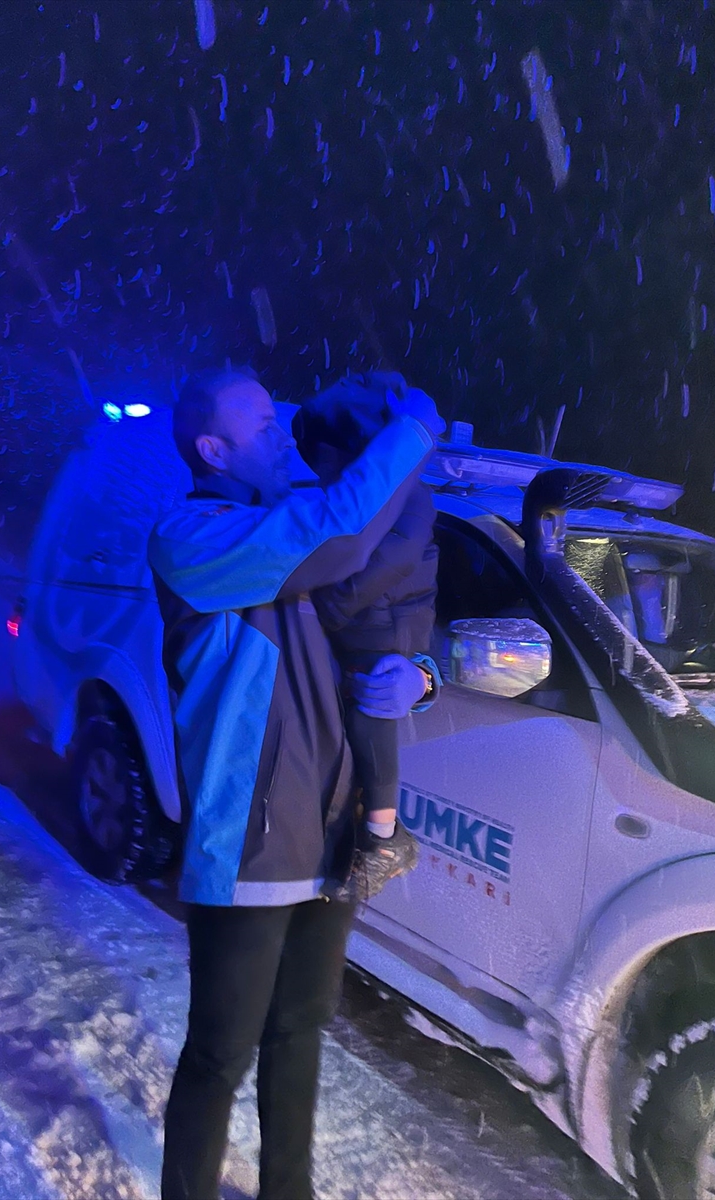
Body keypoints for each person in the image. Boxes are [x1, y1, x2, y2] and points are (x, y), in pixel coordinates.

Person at [148, 365, 444, 1200]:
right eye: (261, 426)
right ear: (214, 448)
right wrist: (414, 427)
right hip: (250, 841)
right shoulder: (193, 538)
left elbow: (377, 614)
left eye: (281, 423)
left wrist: (417, 675)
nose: (281, 435)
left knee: (301, 1032)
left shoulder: (289, 527)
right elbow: (341, 531)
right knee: (219, 1050)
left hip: (333, 830)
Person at [293, 373, 439, 902]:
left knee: (374, 705)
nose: (326, 474)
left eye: (329, 460)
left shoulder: (410, 498)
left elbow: (387, 560)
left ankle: (383, 837)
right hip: (366, 619)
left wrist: (328, 604)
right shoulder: (348, 497)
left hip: (388, 625)